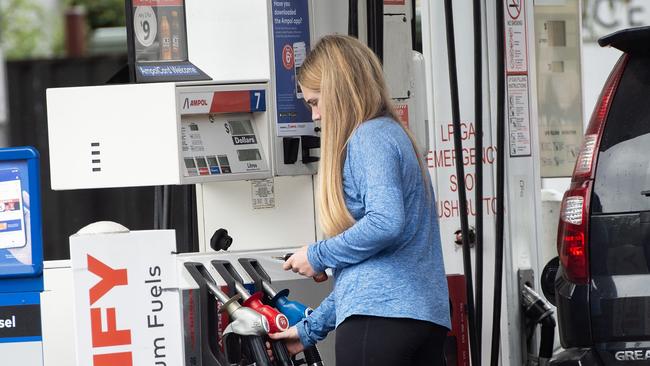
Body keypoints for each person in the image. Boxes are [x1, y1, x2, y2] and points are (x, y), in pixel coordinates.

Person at [270, 35, 450, 366]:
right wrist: (309, 329)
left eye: (314, 102)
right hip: (423, 319)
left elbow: (385, 223)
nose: (316, 117)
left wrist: (317, 255)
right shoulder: (395, 136)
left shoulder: (368, 138)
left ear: (338, 92)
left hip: (380, 326)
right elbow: (370, 274)